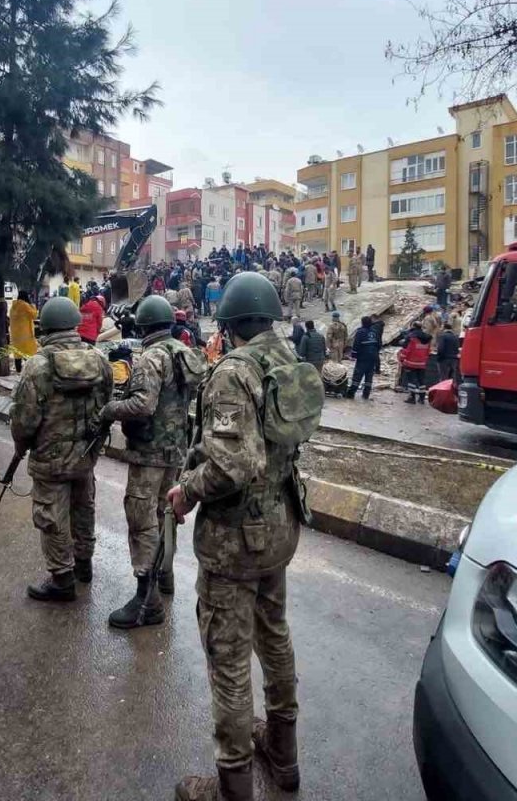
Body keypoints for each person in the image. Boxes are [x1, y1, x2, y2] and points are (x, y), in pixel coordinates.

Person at [167, 272, 320, 801]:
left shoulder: (235, 372)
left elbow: (232, 463)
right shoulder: (288, 357)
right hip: (281, 523)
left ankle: (232, 783)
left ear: (229, 325)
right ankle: (284, 754)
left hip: (237, 538)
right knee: (273, 632)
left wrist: (186, 490)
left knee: (228, 656)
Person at [98, 295, 202, 629]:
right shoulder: (185, 352)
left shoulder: (150, 358)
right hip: (176, 451)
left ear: (142, 325)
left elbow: (142, 405)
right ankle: (165, 575)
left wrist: (110, 410)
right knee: (164, 515)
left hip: (149, 452)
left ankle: (147, 599)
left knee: (141, 518)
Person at [9, 297, 112, 602]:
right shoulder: (99, 359)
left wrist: (21, 446)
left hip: (50, 459)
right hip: (86, 455)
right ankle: (84, 566)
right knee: (84, 510)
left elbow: (24, 420)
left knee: (51, 516)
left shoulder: (37, 365)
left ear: (47, 327)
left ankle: (62, 579)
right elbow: (107, 406)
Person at [346, 315, 381, 400]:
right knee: (369, 376)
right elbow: (379, 344)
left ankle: (351, 394)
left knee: (357, 375)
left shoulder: (360, 332)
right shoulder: (375, 331)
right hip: (373, 357)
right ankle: (366, 395)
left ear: (362, 323)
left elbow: (356, 344)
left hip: (363, 357)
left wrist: (353, 355)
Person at [399, 322, 433, 404]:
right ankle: (421, 399)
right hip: (422, 363)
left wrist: (401, 359)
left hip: (411, 362)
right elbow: (429, 351)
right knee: (421, 381)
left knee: (411, 381)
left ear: (413, 326)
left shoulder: (411, 337)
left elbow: (407, 350)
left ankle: (412, 397)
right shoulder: (427, 338)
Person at [8, 292, 39, 373]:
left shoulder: (13, 306)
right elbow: (34, 315)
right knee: (29, 353)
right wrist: (33, 305)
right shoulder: (25, 305)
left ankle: (18, 371)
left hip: (15, 335)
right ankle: (29, 371)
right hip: (26, 334)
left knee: (17, 354)